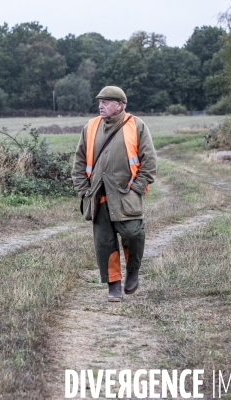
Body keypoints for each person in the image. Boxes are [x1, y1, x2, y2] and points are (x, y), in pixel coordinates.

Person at [72, 86, 157, 301]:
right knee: (104, 242)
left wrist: (137, 188)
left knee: (133, 234)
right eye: (100, 102)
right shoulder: (90, 127)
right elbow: (79, 162)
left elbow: (149, 161)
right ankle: (113, 285)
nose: (101, 105)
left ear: (120, 105)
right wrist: (84, 190)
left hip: (126, 194)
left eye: (106, 102)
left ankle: (133, 271)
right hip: (98, 196)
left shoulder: (137, 125)